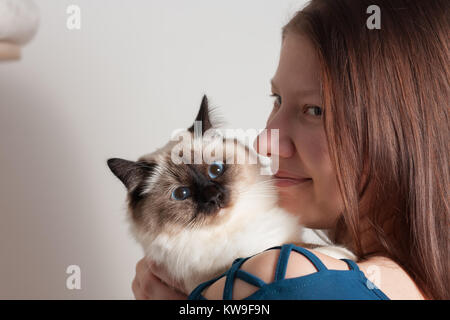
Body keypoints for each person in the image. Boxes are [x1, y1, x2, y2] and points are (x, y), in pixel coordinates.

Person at [132, 0, 449, 300]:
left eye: (314, 110)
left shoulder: (284, 275)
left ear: (404, 131)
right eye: (277, 99)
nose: (264, 143)